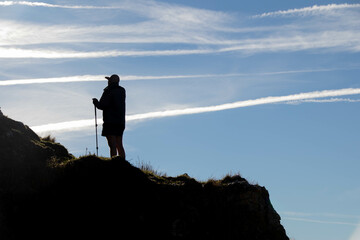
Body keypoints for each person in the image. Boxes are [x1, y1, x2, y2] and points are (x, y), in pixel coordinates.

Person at [93, 74, 126, 158]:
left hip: (110, 121)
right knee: (119, 144)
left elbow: (102, 105)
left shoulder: (109, 90)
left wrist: (96, 102)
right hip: (120, 121)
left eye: (109, 80)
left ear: (110, 81)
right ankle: (123, 163)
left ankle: (114, 163)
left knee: (112, 144)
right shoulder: (122, 91)